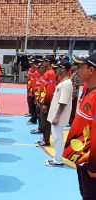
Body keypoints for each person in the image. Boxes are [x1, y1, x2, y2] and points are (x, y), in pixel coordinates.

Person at [63, 52, 96, 199]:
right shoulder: (87, 90)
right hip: (81, 155)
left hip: (91, 160)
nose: (77, 70)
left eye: (81, 67)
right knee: (84, 192)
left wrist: (94, 164)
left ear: (91, 70)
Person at [46, 60, 73, 166]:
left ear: (62, 69)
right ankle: (56, 158)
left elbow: (63, 102)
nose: (56, 70)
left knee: (58, 138)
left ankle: (58, 160)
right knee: (56, 137)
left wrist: (57, 117)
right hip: (57, 115)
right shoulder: (63, 82)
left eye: (57, 68)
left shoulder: (66, 84)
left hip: (59, 116)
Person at [37, 55, 57, 147]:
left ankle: (46, 140)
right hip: (42, 100)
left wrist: (46, 103)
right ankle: (44, 137)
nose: (42, 63)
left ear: (48, 62)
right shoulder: (47, 73)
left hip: (46, 102)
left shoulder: (51, 73)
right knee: (43, 120)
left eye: (44, 61)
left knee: (46, 121)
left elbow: (50, 90)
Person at [69, 61, 80, 126]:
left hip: (74, 94)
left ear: (76, 66)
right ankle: (70, 120)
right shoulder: (73, 73)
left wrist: (73, 95)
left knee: (72, 108)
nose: (72, 66)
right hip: (71, 93)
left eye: (73, 65)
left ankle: (71, 121)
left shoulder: (76, 74)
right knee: (70, 108)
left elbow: (75, 86)